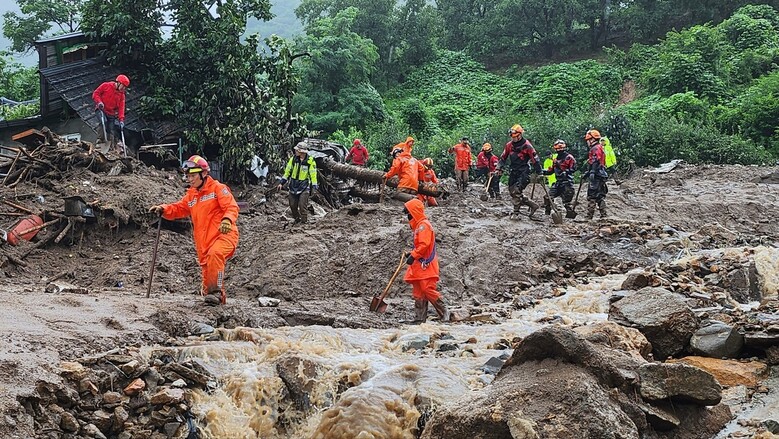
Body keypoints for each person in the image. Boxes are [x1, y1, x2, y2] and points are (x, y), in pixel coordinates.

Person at [149, 155, 239, 306]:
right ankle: (217, 305)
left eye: (192, 176)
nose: (189, 179)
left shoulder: (218, 189)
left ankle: (215, 293)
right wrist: (163, 208)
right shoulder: (192, 195)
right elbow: (179, 208)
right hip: (203, 241)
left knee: (215, 255)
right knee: (207, 275)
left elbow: (231, 206)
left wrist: (227, 220)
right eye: (187, 176)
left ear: (203, 174)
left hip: (223, 235)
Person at [402, 198, 449, 323]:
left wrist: (414, 255)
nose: (408, 216)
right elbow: (420, 246)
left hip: (426, 264)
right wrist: (411, 254)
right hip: (420, 264)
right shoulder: (419, 226)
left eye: (409, 213)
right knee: (418, 291)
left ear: (414, 212)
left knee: (427, 289)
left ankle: (444, 312)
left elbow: (424, 245)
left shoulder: (424, 226)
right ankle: (419, 319)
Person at [497, 124, 543, 217]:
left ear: (520, 135)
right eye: (512, 137)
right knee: (512, 191)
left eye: (515, 137)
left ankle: (516, 212)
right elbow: (503, 158)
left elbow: (535, 159)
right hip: (514, 170)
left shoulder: (527, 146)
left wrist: (539, 172)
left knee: (517, 191)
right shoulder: (509, 145)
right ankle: (532, 205)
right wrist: (499, 167)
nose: (513, 139)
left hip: (524, 171)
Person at [278, 143, 319, 224]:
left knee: (302, 206)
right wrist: (281, 183)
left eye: (297, 150)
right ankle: (297, 219)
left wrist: (314, 186)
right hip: (293, 185)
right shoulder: (293, 159)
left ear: (302, 151)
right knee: (292, 205)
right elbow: (287, 172)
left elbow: (313, 175)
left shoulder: (310, 161)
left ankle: (304, 223)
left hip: (304, 186)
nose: (295, 151)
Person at [92, 74, 129, 153]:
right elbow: (95, 93)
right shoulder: (106, 86)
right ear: (118, 83)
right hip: (101, 109)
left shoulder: (122, 95)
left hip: (111, 113)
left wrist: (121, 119)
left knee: (111, 130)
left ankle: (110, 147)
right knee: (103, 122)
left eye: (125, 87)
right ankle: (100, 142)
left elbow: (121, 108)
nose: (124, 88)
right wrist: (99, 102)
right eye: (123, 86)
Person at [542, 140, 576, 217]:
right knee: (547, 197)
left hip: (567, 183)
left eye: (561, 149)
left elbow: (574, 168)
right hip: (558, 182)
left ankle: (571, 217)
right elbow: (551, 171)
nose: (559, 150)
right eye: (558, 149)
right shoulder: (555, 159)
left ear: (564, 148)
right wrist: (542, 172)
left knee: (567, 203)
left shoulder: (569, 158)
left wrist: (566, 171)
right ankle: (547, 214)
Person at [584, 129, 608, 219]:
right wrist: (588, 172)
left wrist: (592, 171)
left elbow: (595, 160)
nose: (587, 142)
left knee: (592, 195)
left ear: (592, 139)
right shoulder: (600, 147)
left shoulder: (595, 148)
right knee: (599, 196)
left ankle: (589, 216)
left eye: (588, 140)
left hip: (597, 174)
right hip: (601, 174)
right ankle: (604, 215)